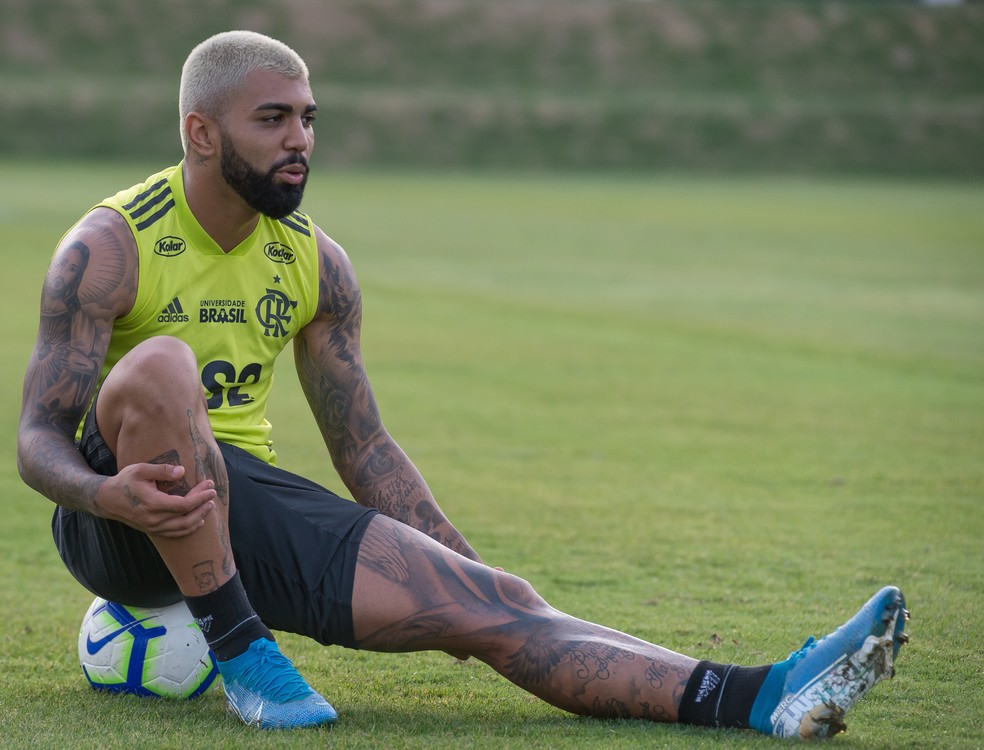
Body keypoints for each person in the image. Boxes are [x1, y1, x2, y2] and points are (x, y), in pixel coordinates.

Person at [17, 30, 908, 739]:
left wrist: (465, 568)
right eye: (274, 120)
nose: (300, 141)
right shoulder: (110, 245)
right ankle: (243, 653)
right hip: (114, 521)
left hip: (244, 512)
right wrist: (109, 493)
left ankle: (758, 697)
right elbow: (37, 440)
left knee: (497, 605)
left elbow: (363, 446)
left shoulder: (314, 265)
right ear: (200, 133)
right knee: (162, 365)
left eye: (309, 119)